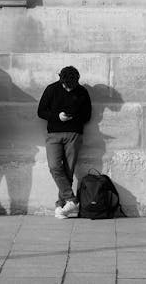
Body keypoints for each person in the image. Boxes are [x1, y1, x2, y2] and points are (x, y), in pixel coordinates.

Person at [36, 65, 92, 219]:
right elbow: (41, 111)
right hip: (54, 134)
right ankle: (72, 200)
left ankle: (61, 206)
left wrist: (73, 117)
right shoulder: (51, 89)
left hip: (74, 134)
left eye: (72, 86)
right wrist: (57, 116)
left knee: (68, 171)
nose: (69, 89)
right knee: (54, 167)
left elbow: (87, 115)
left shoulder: (82, 92)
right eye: (66, 86)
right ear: (61, 79)